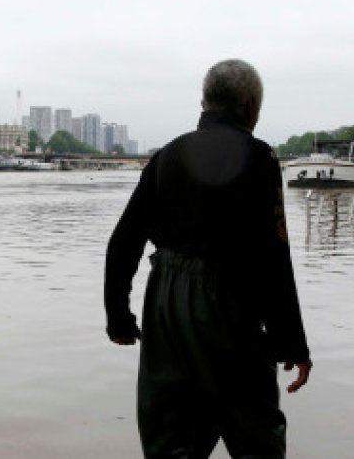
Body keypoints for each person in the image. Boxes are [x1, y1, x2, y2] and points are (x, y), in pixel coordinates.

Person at [104, 59, 312, 458]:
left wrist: (119, 316)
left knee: (171, 435)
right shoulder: (260, 159)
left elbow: (123, 242)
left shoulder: (166, 157)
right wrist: (292, 344)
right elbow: (273, 259)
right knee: (254, 433)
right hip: (229, 302)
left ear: (205, 102)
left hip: (166, 305)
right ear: (250, 105)